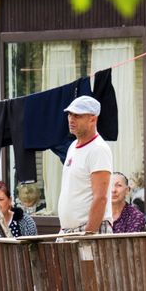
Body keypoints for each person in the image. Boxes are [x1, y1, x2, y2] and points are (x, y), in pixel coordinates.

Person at [58, 95, 113, 234]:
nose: (71, 119)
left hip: (88, 231)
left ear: (93, 119)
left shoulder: (98, 149)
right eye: (70, 114)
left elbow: (100, 198)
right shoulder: (72, 146)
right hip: (68, 231)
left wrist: (88, 234)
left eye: (78, 115)